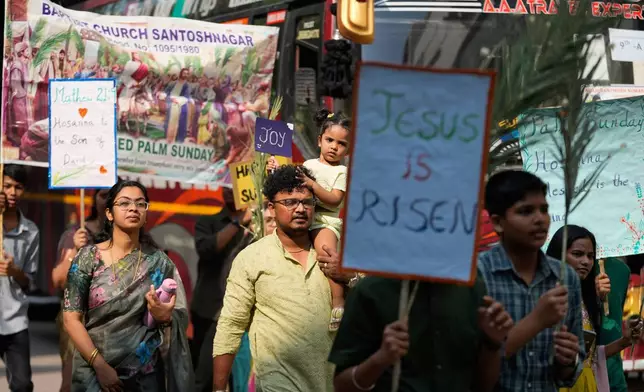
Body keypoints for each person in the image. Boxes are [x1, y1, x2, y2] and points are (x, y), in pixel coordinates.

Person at [213, 165, 352, 392]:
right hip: (277, 383)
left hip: (332, 382)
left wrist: (350, 276)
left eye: (307, 202)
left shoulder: (335, 252)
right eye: (290, 202)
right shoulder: (251, 258)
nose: (300, 209)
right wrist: (219, 389)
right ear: (271, 208)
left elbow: (373, 300)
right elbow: (231, 325)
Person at [62, 180, 194, 391]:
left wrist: (165, 317)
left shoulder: (159, 262)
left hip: (145, 374)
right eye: (124, 203)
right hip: (93, 370)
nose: (133, 208)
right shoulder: (88, 258)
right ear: (109, 214)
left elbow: (178, 315)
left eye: (140, 204)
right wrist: (100, 365)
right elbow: (71, 319)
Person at [477, 170, 585, 391]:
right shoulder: (479, 275)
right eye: (526, 211)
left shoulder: (566, 278)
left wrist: (567, 360)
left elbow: (569, 374)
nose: (540, 219)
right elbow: (468, 371)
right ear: (498, 223)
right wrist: (537, 320)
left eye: (544, 209)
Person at [329, 273, 514, 391]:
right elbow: (342, 386)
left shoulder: (471, 286)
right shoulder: (371, 291)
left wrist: (492, 343)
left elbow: (483, 385)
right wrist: (380, 359)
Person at [267, 108, 349, 331]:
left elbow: (333, 199)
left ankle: (338, 301)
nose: (334, 147)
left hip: (324, 221)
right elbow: (292, 184)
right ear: (319, 140)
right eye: (330, 140)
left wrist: (312, 185)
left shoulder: (342, 172)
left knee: (327, 257)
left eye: (341, 144)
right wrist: (275, 169)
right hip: (305, 218)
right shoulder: (309, 165)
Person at [546, 225, 642, 392]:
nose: (586, 261)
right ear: (558, 254)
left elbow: (590, 357)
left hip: (587, 384)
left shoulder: (584, 299)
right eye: (577, 254)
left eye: (591, 256)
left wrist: (625, 341)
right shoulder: (546, 296)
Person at [191, 187, 253, 392]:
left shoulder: (258, 223)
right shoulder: (208, 222)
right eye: (226, 189)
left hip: (245, 312)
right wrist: (237, 223)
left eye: (235, 188)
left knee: (243, 379)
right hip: (211, 311)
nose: (230, 193)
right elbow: (206, 250)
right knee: (204, 376)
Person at [52, 188, 110, 392]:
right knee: (71, 382)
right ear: (94, 200)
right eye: (104, 195)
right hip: (78, 318)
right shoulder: (77, 234)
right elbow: (58, 280)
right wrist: (75, 250)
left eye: (115, 196)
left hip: (112, 322)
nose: (109, 200)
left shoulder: (129, 238)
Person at [0, 164, 39, 392]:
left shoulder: (31, 231)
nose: (13, 193)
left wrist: (16, 271)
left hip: (15, 320)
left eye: (19, 187)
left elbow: (29, 282)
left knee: (22, 385)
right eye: (7, 186)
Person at [598, 257, 632, 392]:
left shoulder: (622, 270)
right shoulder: (572, 267)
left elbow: (616, 313)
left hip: (614, 368)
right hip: (583, 369)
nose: (584, 261)